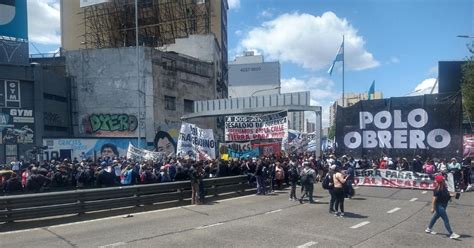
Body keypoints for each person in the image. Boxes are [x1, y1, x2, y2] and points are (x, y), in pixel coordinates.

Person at [425, 174, 460, 239]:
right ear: (441, 181)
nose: (444, 180)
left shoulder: (444, 187)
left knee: (435, 217)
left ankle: (428, 228)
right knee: (446, 219)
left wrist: (453, 195)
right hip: (439, 206)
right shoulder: (437, 190)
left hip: (444, 205)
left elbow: (446, 195)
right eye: (443, 179)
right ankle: (451, 233)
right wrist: (432, 207)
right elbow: (433, 199)